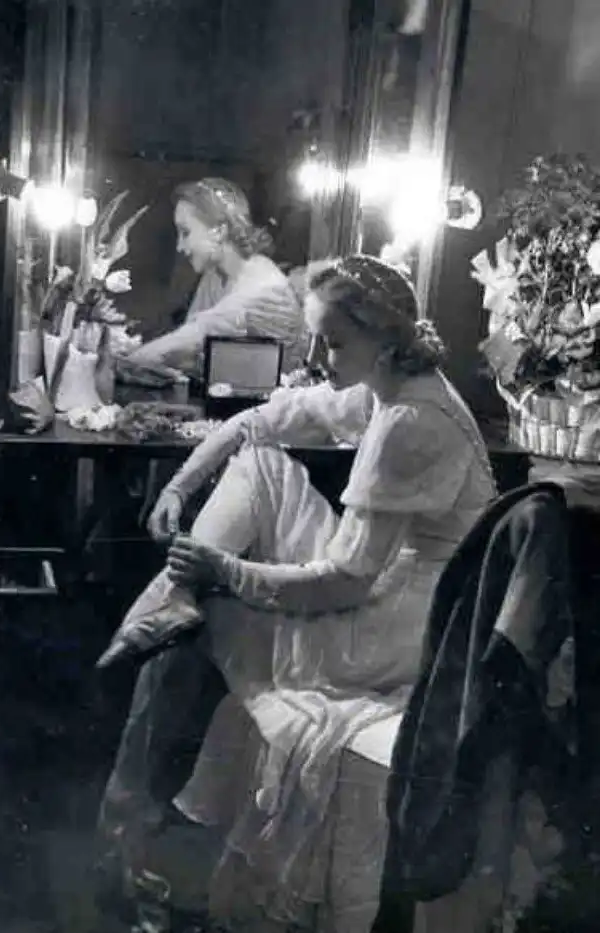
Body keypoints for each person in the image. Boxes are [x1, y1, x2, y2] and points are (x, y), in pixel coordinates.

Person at [97, 255, 497, 929]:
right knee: (258, 466)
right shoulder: (389, 384)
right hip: (385, 589)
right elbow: (260, 423)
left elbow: (344, 581)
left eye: (332, 342)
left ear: (383, 338)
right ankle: (170, 606)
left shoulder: (409, 421)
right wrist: (179, 487)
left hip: (395, 631)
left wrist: (225, 572)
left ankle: (127, 831)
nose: (315, 358)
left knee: (193, 627)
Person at [116, 177, 306, 380]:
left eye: (186, 232)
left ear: (219, 231)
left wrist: (123, 363)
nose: (180, 247)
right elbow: (190, 350)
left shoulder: (264, 289)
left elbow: (194, 336)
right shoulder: (216, 274)